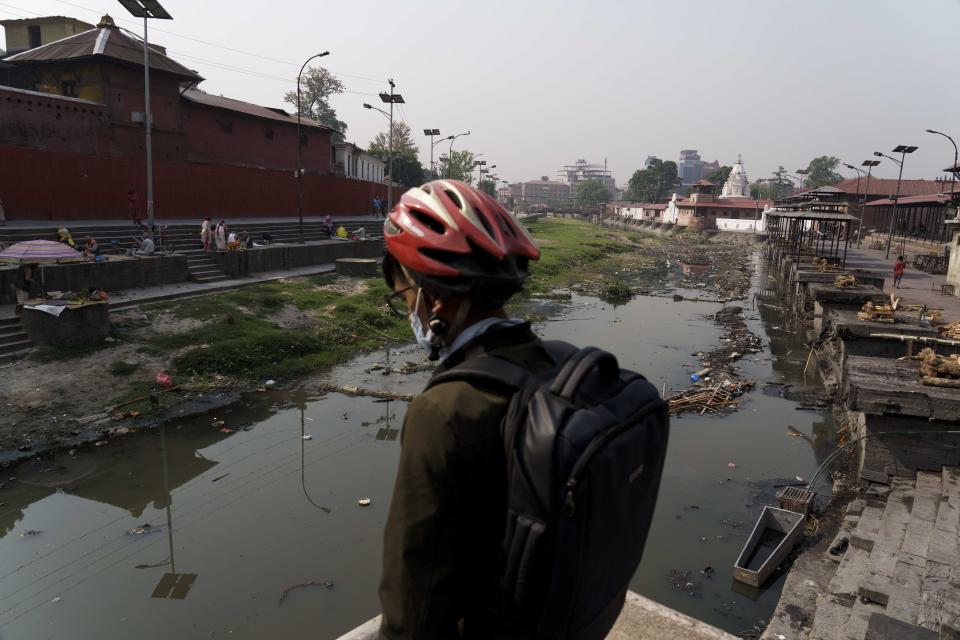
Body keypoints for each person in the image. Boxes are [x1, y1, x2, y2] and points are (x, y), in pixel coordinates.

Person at [378, 180, 551, 639]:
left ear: (435, 301)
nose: (408, 313)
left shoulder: (444, 412)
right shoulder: (557, 363)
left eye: (405, 297)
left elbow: (413, 600)